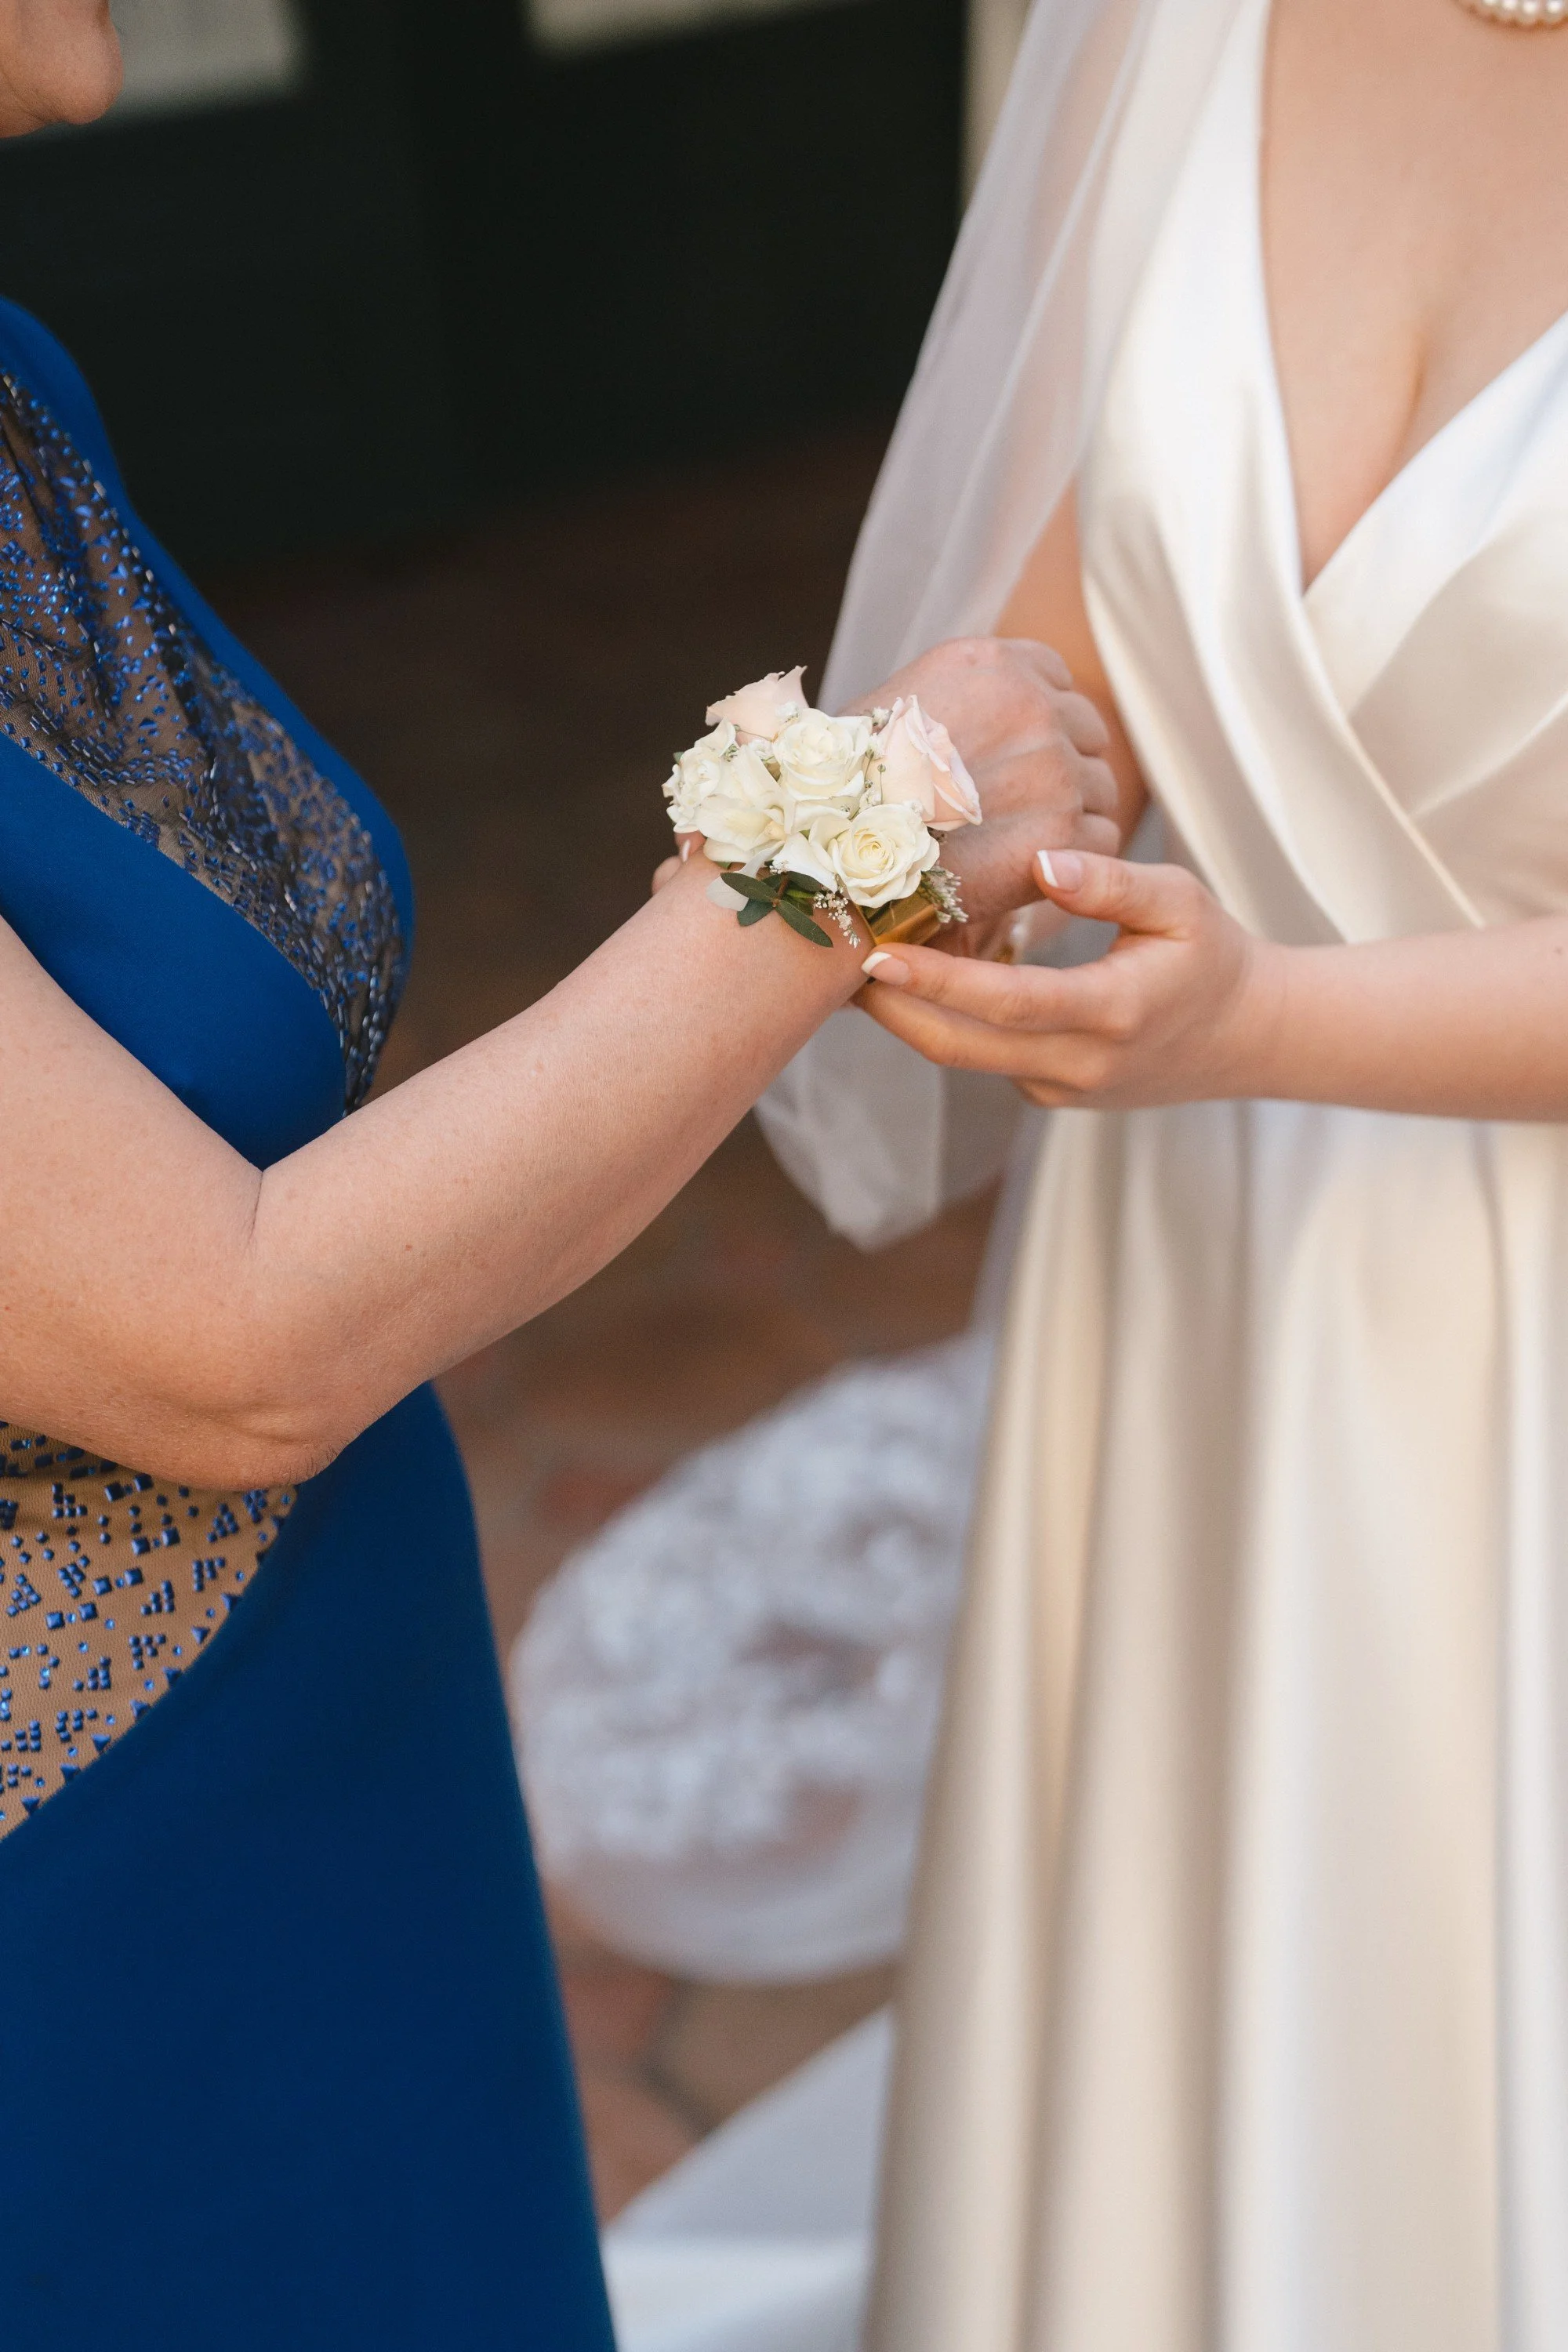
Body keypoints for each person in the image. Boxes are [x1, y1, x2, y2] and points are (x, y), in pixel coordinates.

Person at [0, 9, 1114, 2344]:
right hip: (78, 1972)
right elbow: (227, 1339)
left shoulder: (13, 388)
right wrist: (862, 825)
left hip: (340, 1769)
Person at [588, 0, 1568, 2345]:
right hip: (1196, 1279)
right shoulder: (1192, 21)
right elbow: (1056, 661)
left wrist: (1259, 1024)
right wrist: (841, 863)